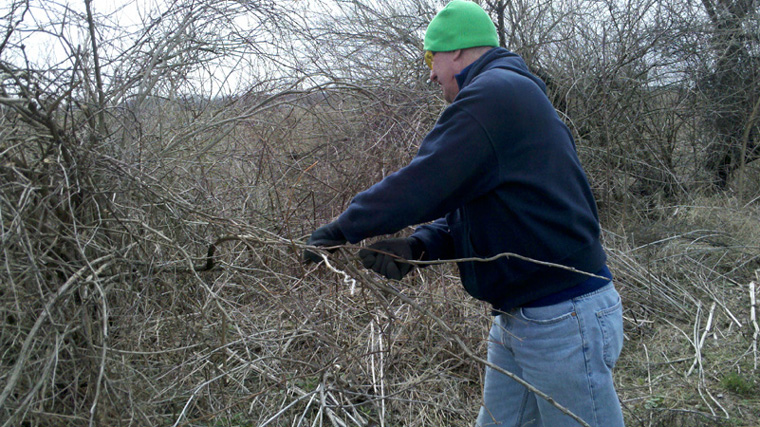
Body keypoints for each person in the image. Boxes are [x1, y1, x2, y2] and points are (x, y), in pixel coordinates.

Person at [304, 1, 625, 426]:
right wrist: (421, 245)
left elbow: (427, 180)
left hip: (561, 316)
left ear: (455, 51)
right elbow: (489, 208)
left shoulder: (495, 94)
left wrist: (341, 230)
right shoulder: (507, 94)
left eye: (430, 58)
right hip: (522, 317)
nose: (431, 74)